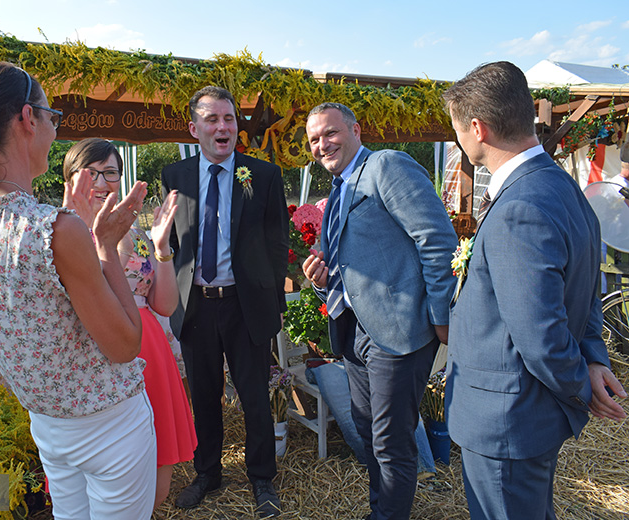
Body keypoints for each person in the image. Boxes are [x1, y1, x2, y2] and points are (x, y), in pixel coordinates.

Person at [0, 62, 156, 519]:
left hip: (47, 426)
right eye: (50, 116)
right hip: (109, 425)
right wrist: (106, 245)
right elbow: (125, 344)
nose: (54, 131)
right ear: (26, 118)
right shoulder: (52, 228)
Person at [443, 61, 627, 520]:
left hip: (507, 420)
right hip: (523, 418)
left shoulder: (519, 207)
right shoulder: (561, 185)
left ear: (478, 129)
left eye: (457, 131)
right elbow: (585, 290)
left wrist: (580, 382)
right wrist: (593, 356)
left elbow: (540, 334)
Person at [302, 102, 457, 520]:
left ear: (355, 129)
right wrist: (322, 278)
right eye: (314, 139)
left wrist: (441, 316)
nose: (322, 144)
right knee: (369, 431)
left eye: (330, 133)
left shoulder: (386, 166)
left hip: (397, 328)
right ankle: (382, 511)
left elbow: (437, 240)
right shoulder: (338, 190)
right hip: (355, 330)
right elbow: (355, 259)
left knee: (390, 440)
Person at [160, 86, 288, 518]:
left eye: (229, 119)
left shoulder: (264, 176)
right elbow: (174, 242)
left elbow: (277, 244)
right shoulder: (174, 176)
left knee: (254, 396)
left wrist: (274, 307)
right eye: (212, 120)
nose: (223, 127)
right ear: (194, 128)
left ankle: (262, 478)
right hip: (195, 306)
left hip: (245, 306)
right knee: (204, 394)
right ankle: (207, 473)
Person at [61, 137, 197, 509]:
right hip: (95, 356)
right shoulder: (60, 233)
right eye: (93, 173)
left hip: (150, 352)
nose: (104, 183)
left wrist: (161, 248)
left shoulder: (134, 235)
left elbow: (165, 305)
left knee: (156, 488)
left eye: (111, 173)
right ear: (71, 177)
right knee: (100, 485)